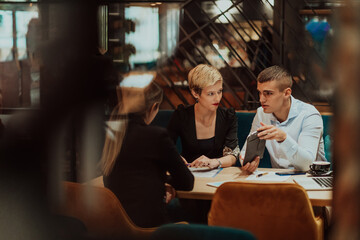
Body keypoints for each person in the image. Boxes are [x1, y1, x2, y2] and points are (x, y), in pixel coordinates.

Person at [101, 81, 194, 228]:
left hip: (115, 227)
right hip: (149, 230)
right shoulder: (156, 136)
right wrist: (167, 181)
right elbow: (187, 182)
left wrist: (161, 181)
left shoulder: (113, 134)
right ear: (153, 107)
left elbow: (131, 176)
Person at [240, 65, 327, 172]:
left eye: (268, 93)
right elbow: (245, 151)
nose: (261, 99)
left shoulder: (309, 115)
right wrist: (247, 162)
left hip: (311, 178)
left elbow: (307, 165)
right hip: (278, 178)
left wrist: (283, 138)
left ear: (287, 93)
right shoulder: (261, 113)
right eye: (260, 92)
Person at [167, 64, 240, 169]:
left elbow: (233, 155)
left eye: (219, 91)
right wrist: (176, 158)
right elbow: (166, 147)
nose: (217, 98)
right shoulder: (181, 115)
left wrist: (215, 162)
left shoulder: (228, 116)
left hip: (218, 175)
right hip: (189, 174)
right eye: (211, 94)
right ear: (195, 93)